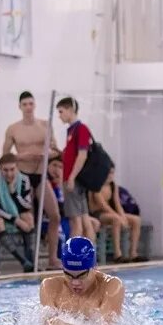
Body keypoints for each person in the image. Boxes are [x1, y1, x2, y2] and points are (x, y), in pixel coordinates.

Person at [4, 90, 62, 267]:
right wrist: (23, 156)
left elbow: (56, 150)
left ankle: (52, 258)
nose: (28, 107)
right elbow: (5, 156)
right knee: (29, 220)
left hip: (41, 176)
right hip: (23, 178)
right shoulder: (13, 129)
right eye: (25, 105)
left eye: (31, 104)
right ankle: (31, 260)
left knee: (55, 216)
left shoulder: (45, 126)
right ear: (20, 107)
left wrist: (45, 153)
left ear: (35, 105)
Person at [39, 236, 124, 325]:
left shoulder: (111, 286)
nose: (75, 283)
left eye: (81, 276)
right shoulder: (50, 286)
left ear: (95, 267)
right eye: (68, 275)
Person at [57, 96, 98, 241]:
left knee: (76, 222)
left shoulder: (81, 129)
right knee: (85, 220)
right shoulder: (71, 131)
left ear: (70, 110)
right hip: (74, 179)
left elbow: (82, 155)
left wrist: (72, 178)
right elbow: (72, 155)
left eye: (61, 112)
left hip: (74, 180)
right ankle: (88, 259)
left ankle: (73, 259)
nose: (59, 116)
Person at [90, 167, 143, 263]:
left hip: (110, 213)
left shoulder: (113, 185)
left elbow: (117, 204)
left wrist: (123, 216)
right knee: (116, 220)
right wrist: (119, 217)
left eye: (112, 173)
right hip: (97, 214)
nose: (110, 175)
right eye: (108, 172)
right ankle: (117, 254)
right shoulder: (96, 185)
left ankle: (133, 253)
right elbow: (103, 205)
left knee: (136, 220)